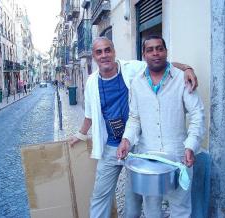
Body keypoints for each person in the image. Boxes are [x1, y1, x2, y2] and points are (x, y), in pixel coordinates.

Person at [69, 37, 198, 218]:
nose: (104, 55)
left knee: (135, 199)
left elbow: (158, 62)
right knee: (100, 194)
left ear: (114, 52)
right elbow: (90, 115)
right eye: (99, 52)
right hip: (111, 146)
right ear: (94, 57)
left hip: (137, 148)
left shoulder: (132, 70)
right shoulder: (91, 82)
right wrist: (81, 134)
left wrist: (186, 68)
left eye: (108, 50)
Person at [117, 35, 205, 218]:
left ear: (166, 51)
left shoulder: (182, 78)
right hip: (148, 157)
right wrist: (126, 140)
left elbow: (197, 115)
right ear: (144, 55)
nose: (155, 53)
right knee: (151, 209)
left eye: (159, 48)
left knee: (181, 208)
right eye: (150, 50)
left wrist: (191, 146)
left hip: (179, 157)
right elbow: (134, 118)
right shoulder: (137, 83)